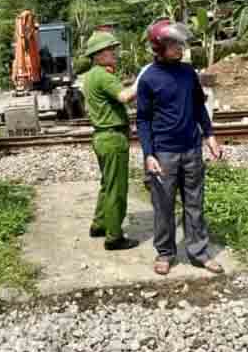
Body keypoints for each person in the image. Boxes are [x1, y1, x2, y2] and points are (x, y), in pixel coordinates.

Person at [136, 19, 224, 276]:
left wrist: (209, 136)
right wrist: (148, 154)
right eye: (174, 44)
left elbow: (198, 106)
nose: (180, 48)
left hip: (191, 149)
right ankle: (165, 253)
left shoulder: (188, 73)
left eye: (180, 43)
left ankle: (199, 252)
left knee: (195, 202)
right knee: (163, 205)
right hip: (163, 152)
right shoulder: (149, 79)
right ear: (159, 47)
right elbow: (143, 119)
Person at [81, 31, 140, 251]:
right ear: (97, 55)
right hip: (113, 137)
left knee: (107, 184)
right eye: (109, 50)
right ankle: (114, 237)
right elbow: (125, 97)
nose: (113, 53)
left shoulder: (91, 75)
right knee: (117, 188)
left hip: (101, 137)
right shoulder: (104, 76)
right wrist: (144, 79)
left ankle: (99, 224)